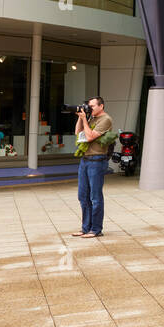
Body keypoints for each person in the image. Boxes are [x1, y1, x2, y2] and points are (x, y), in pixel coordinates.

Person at [73, 96, 115, 238]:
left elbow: (90, 137)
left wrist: (85, 119)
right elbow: (78, 134)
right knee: (82, 196)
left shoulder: (105, 120)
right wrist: (80, 118)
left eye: (92, 106)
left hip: (97, 160)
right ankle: (85, 228)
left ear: (101, 106)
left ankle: (96, 229)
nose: (89, 109)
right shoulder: (90, 118)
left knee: (95, 197)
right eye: (88, 106)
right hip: (85, 160)